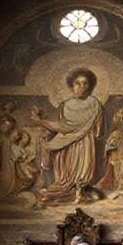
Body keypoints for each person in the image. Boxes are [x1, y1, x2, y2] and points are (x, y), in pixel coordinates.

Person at [30, 68, 104, 204]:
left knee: (83, 169)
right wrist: (42, 122)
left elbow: (99, 128)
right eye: (77, 83)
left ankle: (79, 192)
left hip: (85, 142)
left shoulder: (94, 103)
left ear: (90, 86)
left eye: (85, 83)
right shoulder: (65, 105)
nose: (82, 87)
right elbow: (62, 126)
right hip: (65, 143)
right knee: (65, 173)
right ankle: (65, 192)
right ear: (71, 86)